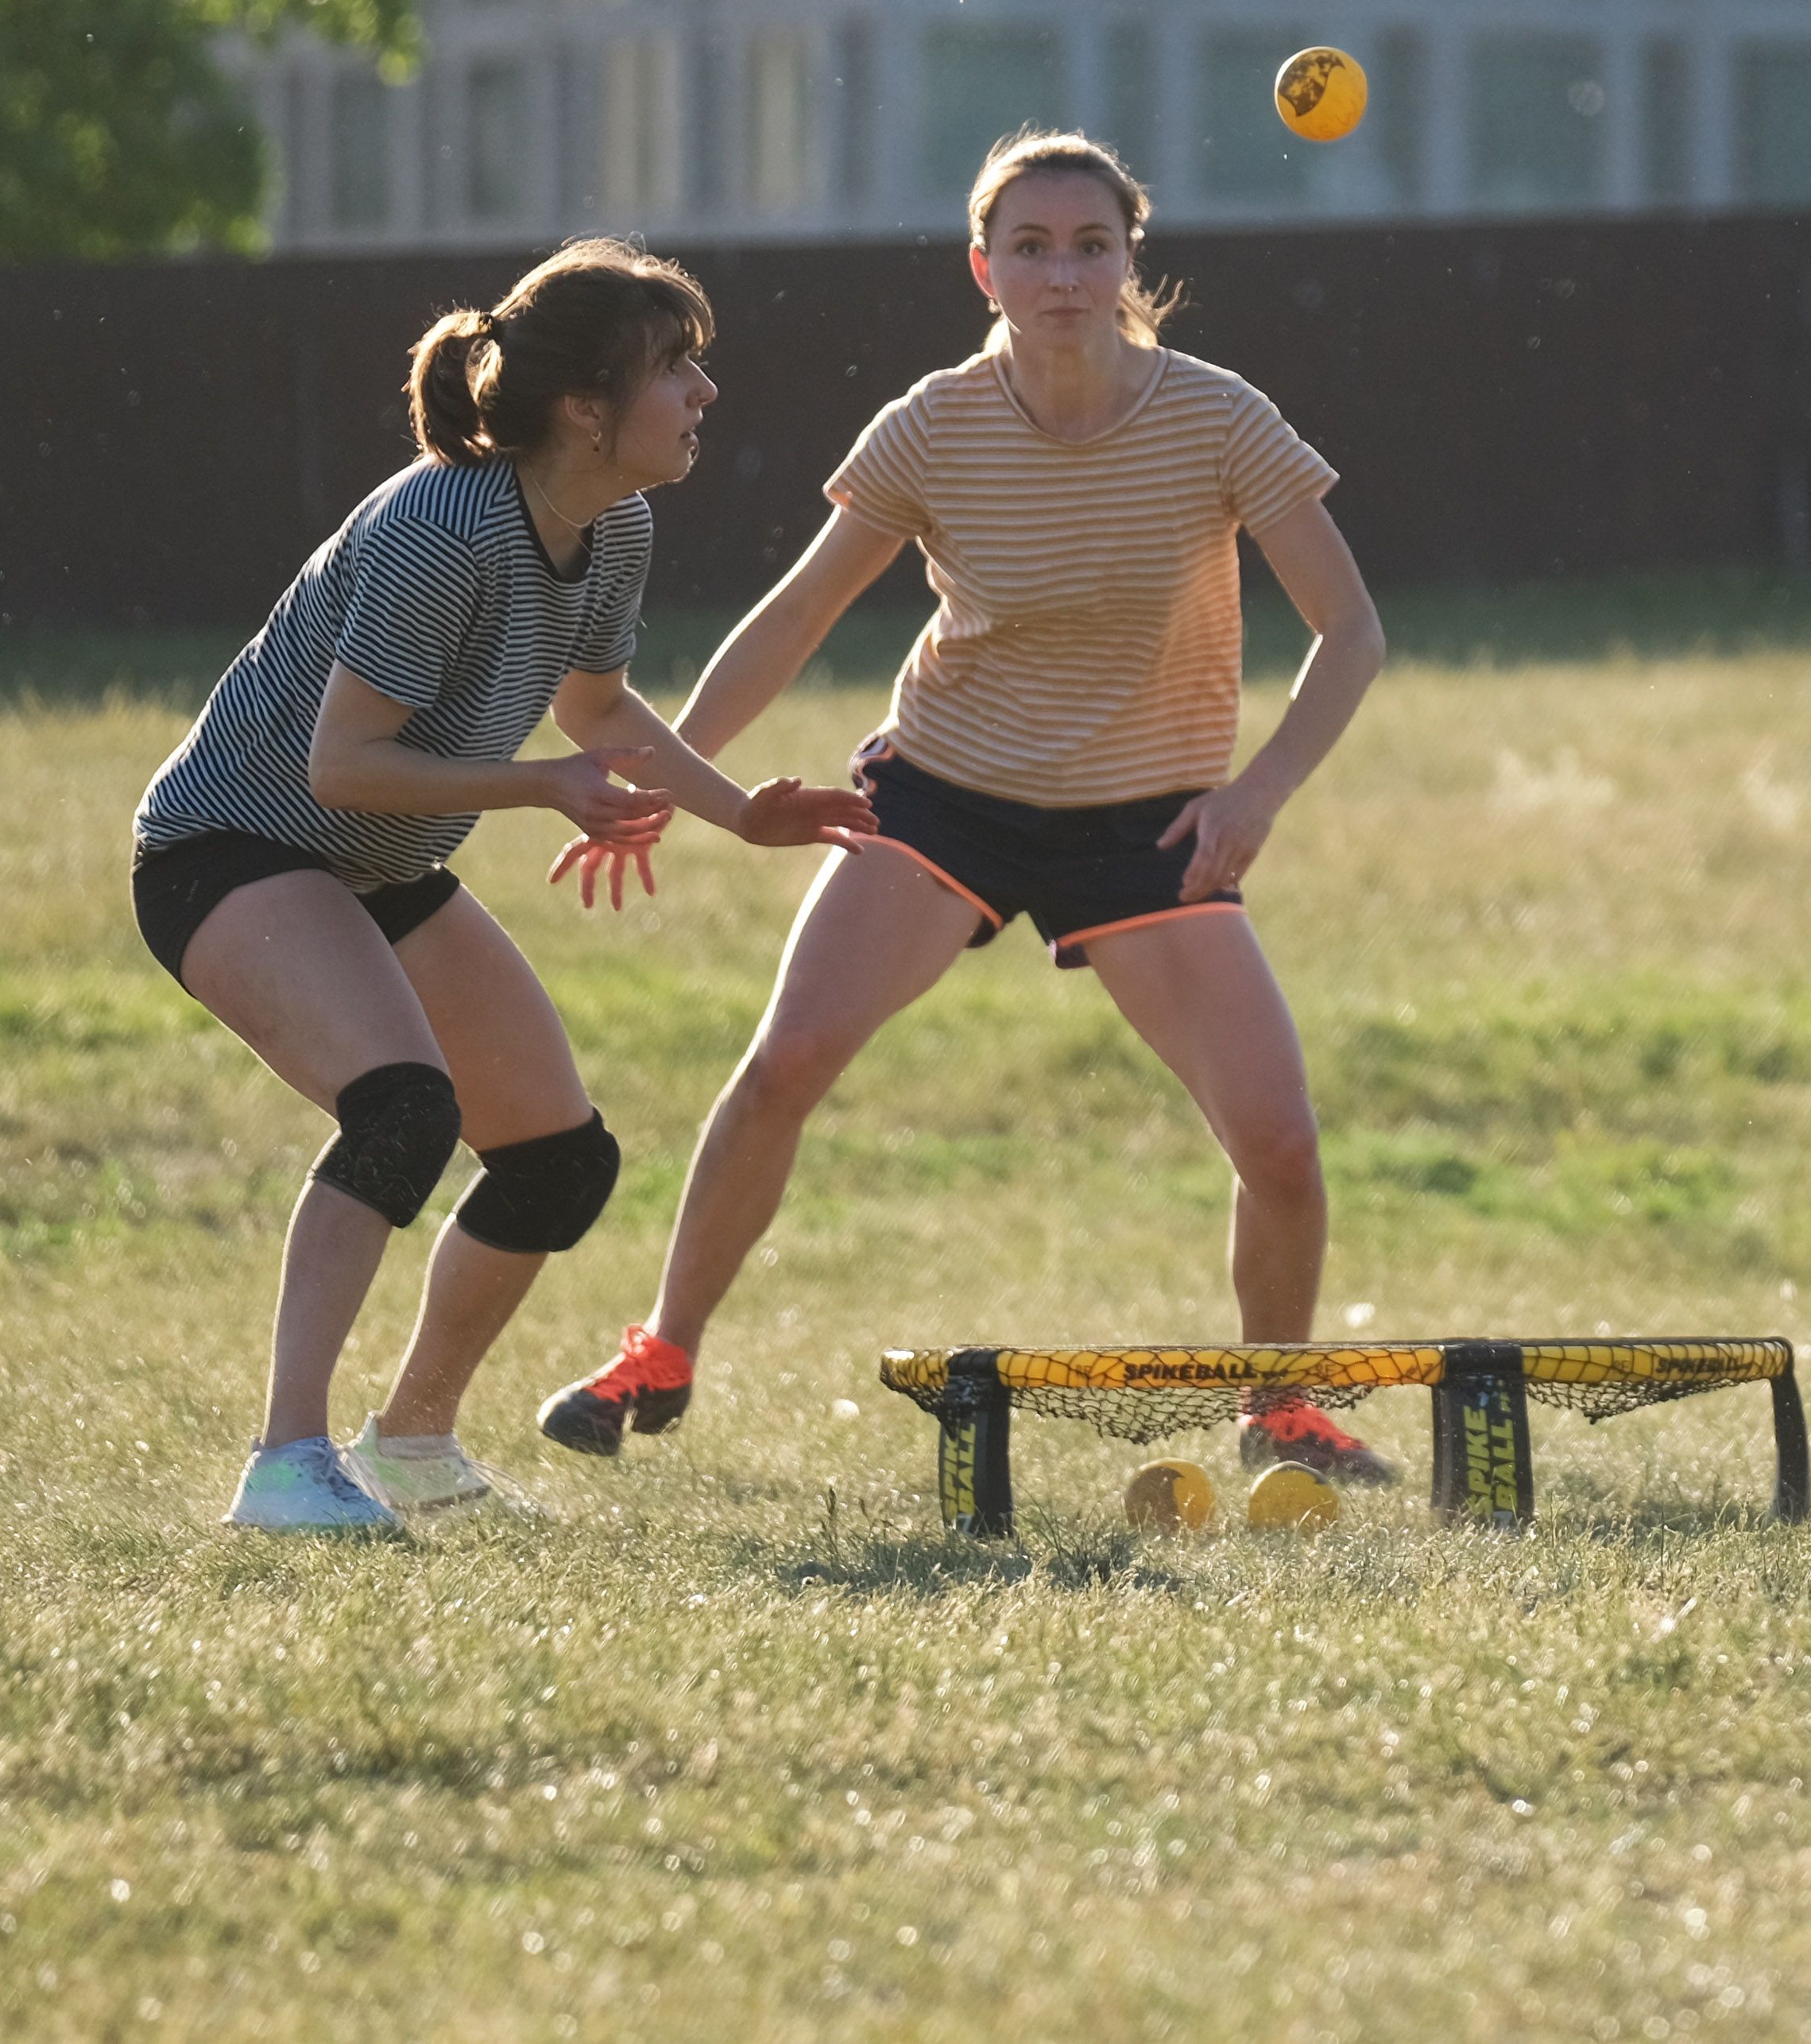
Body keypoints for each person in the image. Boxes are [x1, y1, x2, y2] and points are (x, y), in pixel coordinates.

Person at [536, 131, 1397, 1484]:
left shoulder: (1219, 416)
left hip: (1150, 820)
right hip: (946, 797)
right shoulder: (932, 424)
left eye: (1092, 246)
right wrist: (670, 774)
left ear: (1130, 261)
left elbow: (1349, 631)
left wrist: (1260, 794)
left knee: (1280, 1141)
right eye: (1033, 248)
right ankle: (662, 1348)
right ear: (983, 268)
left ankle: (1277, 1407)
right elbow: (796, 617)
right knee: (787, 1061)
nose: (1064, 273)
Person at [137, 240, 876, 1532]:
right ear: (585, 409)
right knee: (403, 1112)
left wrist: (739, 812)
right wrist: (542, 788)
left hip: (377, 863)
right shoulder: (441, 524)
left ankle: (414, 1444)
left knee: (557, 1163)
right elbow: (344, 765)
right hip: (234, 849)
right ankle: (285, 1465)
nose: (704, 393)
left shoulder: (614, 521)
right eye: (675, 369)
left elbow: (597, 707)